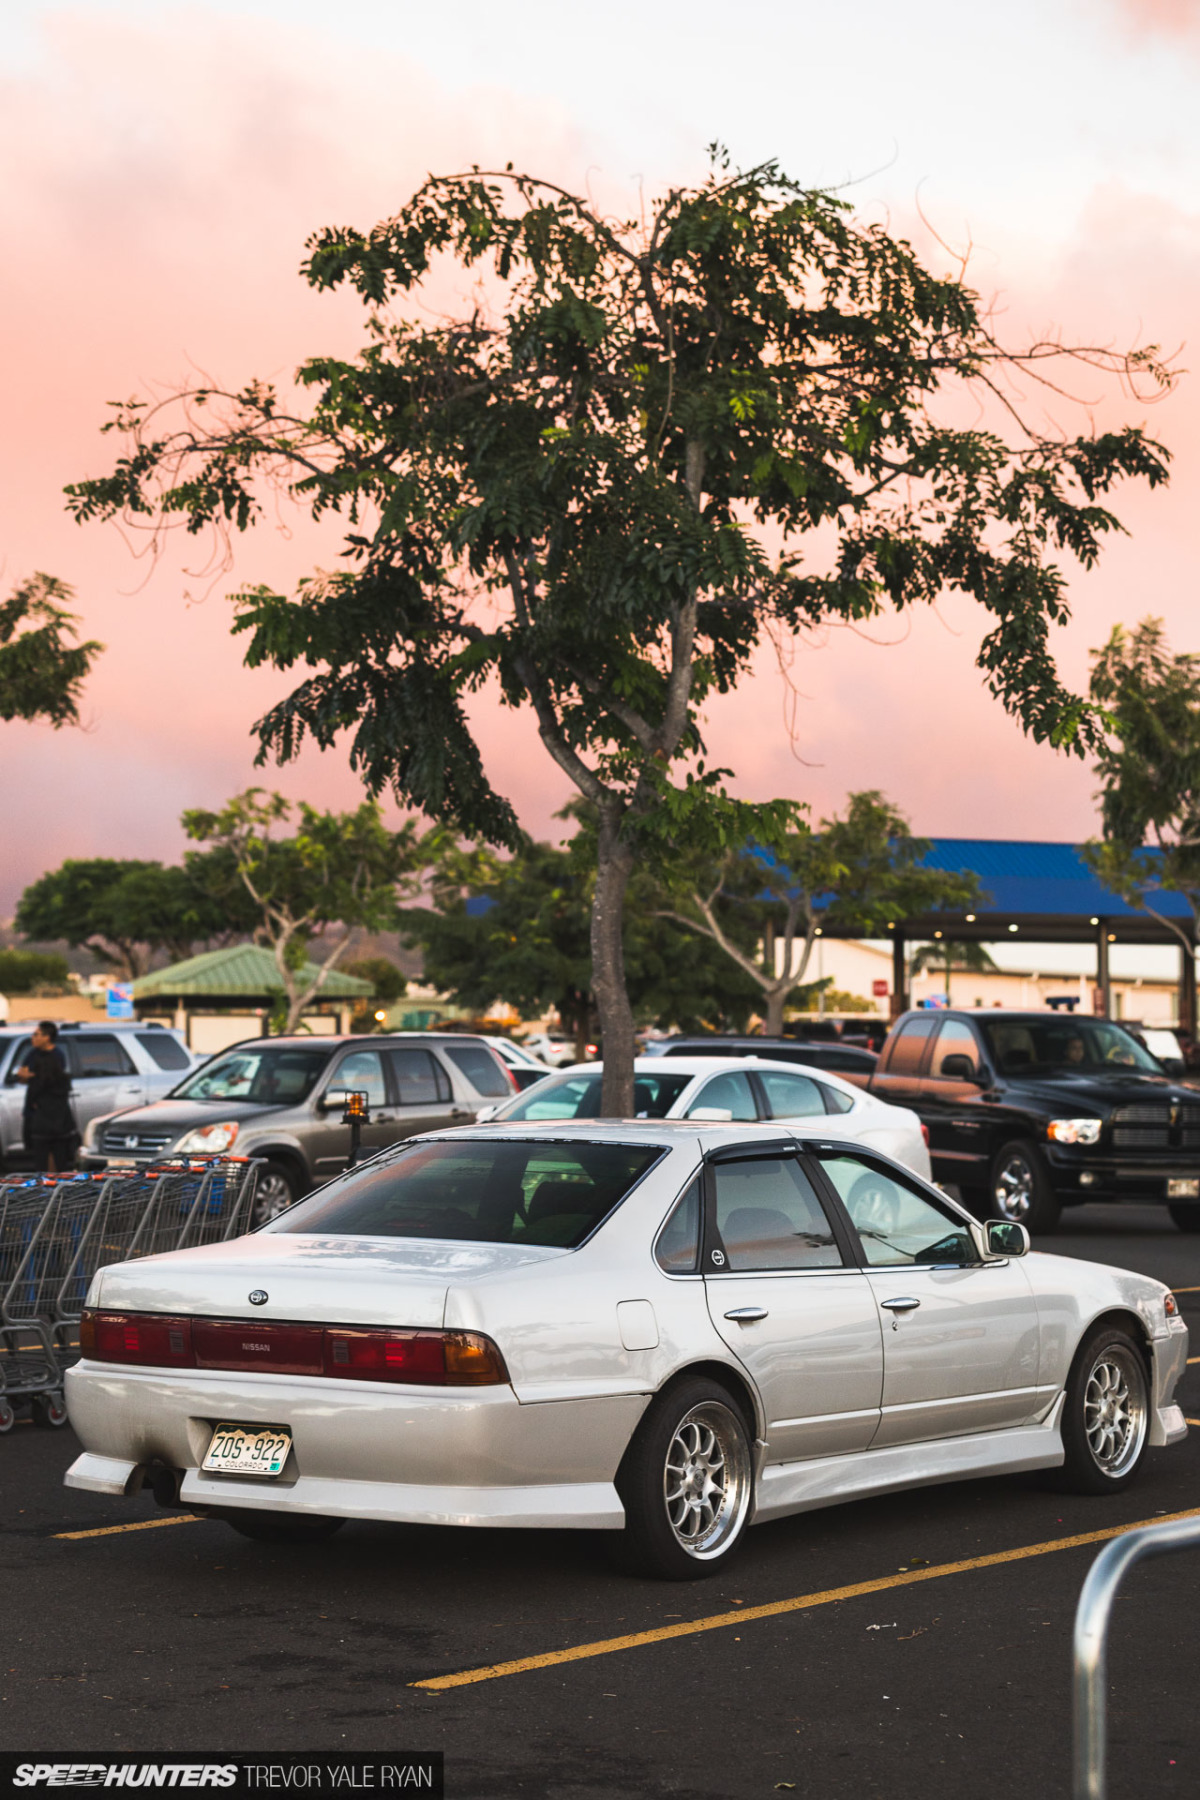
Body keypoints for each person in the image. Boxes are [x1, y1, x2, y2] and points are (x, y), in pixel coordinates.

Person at [16, 1021, 76, 1173]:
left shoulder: (57, 1056)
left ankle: (50, 1185)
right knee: (42, 1152)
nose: (32, 1038)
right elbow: (22, 1075)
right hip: (39, 1115)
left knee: (53, 1153)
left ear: (47, 1037)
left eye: (36, 1034)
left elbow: (42, 1078)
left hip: (50, 1118)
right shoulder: (33, 1053)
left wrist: (31, 1076)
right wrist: (30, 1076)